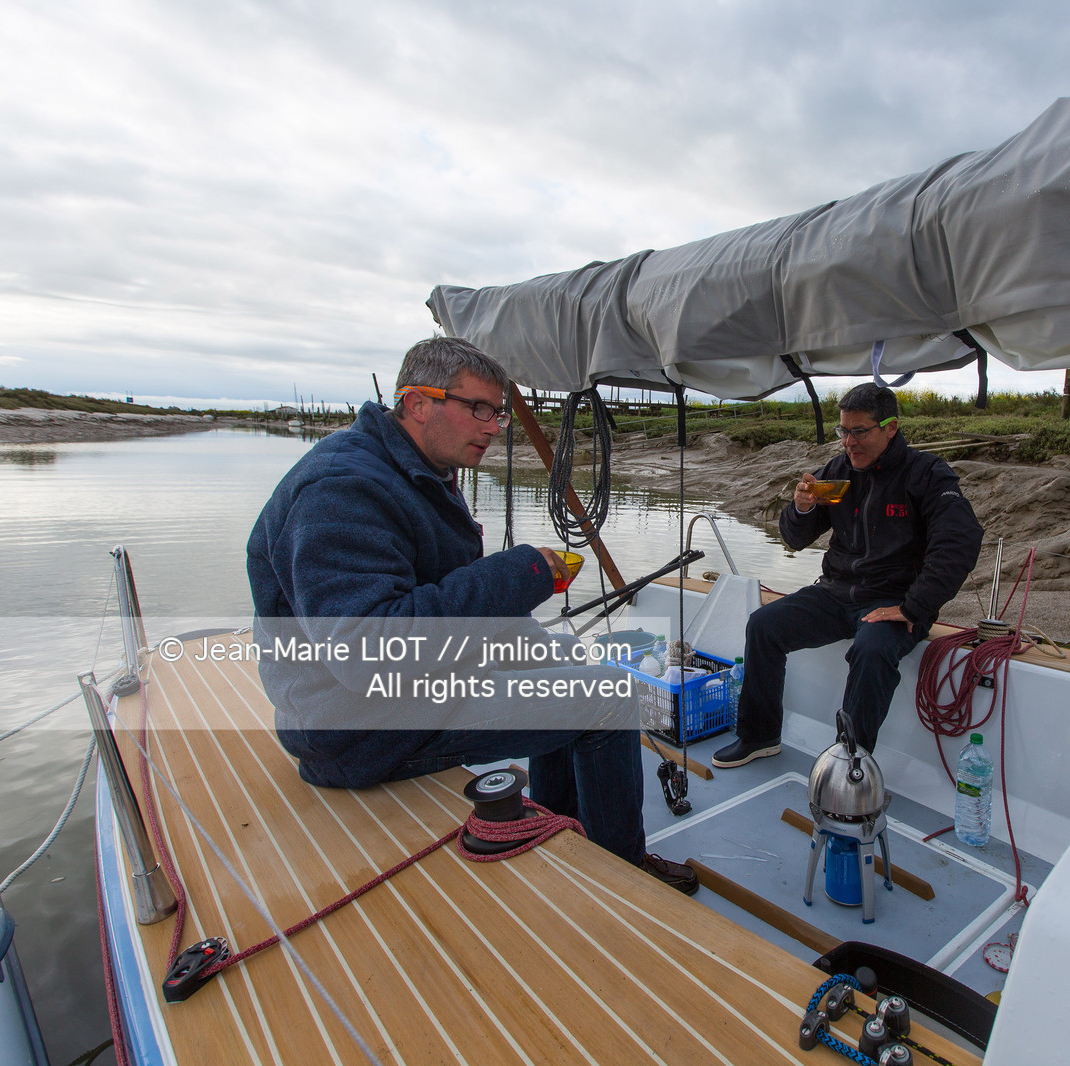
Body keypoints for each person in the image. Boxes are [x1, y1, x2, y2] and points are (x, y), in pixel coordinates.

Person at [247, 336, 697, 893]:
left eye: (499, 413)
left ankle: (560, 831)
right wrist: (522, 573)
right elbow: (366, 652)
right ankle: (624, 874)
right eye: (478, 409)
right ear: (416, 403)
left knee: (567, 659)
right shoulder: (341, 490)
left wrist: (534, 634)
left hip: (407, 687)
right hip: (360, 723)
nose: (493, 426)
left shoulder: (411, 466)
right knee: (613, 698)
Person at [713, 383, 982, 767]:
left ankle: (849, 760)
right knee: (763, 625)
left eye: (859, 432)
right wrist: (802, 509)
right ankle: (759, 736)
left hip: (894, 601)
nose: (849, 442)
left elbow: (961, 540)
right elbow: (795, 539)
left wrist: (914, 606)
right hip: (836, 593)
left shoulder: (926, 475)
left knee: (872, 650)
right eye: (843, 431)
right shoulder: (839, 473)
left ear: (890, 428)